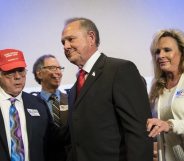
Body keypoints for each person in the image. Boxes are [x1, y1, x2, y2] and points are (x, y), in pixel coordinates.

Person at [61, 17, 153, 161]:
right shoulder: (74, 89)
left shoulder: (120, 70)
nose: (66, 46)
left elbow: (139, 132)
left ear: (91, 38)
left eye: (71, 39)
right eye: (63, 42)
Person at [0, 49, 68, 161]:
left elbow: (56, 141)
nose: (17, 76)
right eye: (11, 71)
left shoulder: (38, 104)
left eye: (21, 70)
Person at [147, 29, 184, 161]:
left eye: (167, 50)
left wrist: (171, 125)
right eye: (157, 52)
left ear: (182, 53)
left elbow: (167, 124)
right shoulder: (157, 87)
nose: (160, 55)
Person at [32, 54, 69, 161]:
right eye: (53, 68)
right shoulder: (31, 105)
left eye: (59, 68)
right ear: (39, 74)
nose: (58, 72)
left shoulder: (72, 100)